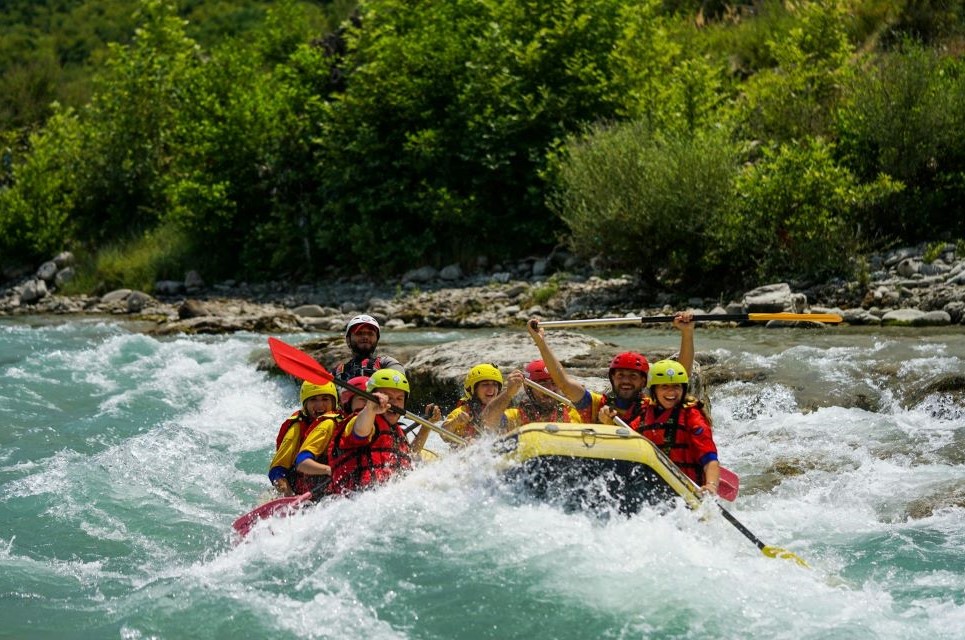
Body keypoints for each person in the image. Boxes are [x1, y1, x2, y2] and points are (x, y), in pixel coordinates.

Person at [525, 313, 695, 425]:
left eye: (633, 376)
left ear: (644, 381)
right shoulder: (594, 404)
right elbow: (563, 382)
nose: (626, 381)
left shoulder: (653, 406)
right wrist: (541, 342)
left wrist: (687, 333)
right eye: (621, 375)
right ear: (612, 378)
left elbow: (681, 376)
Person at [629, 359, 720, 495]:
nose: (671, 392)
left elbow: (710, 460)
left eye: (676, 386)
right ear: (654, 391)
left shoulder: (692, 416)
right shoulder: (643, 415)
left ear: (683, 389)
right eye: (664, 387)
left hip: (686, 489)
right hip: (652, 488)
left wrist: (711, 485)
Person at [328, 369, 415, 495]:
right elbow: (360, 431)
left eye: (399, 398)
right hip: (356, 500)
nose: (394, 403)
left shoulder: (397, 431)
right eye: (388, 397)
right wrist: (370, 408)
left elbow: (412, 456)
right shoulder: (360, 420)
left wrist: (427, 427)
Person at [268, 380, 340, 496]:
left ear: (334, 402)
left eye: (325, 399)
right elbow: (277, 471)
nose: (320, 405)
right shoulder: (297, 428)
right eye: (313, 400)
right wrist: (288, 493)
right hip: (297, 489)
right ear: (305, 404)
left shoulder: (341, 420)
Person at [481, 359, 583, 431]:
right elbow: (487, 420)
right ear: (529, 389)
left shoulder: (572, 412)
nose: (550, 389)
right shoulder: (516, 416)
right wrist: (508, 393)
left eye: (553, 383)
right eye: (543, 385)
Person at [441, 363, 504, 441]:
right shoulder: (462, 412)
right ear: (473, 390)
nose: (491, 389)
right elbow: (443, 434)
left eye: (495, 384)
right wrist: (456, 421)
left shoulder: (502, 411)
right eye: (485, 384)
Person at [333, 314, 405, 382]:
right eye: (359, 333)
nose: (365, 337)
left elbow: (399, 385)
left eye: (370, 334)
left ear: (377, 339)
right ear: (348, 339)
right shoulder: (337, 373)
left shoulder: (387, 364)